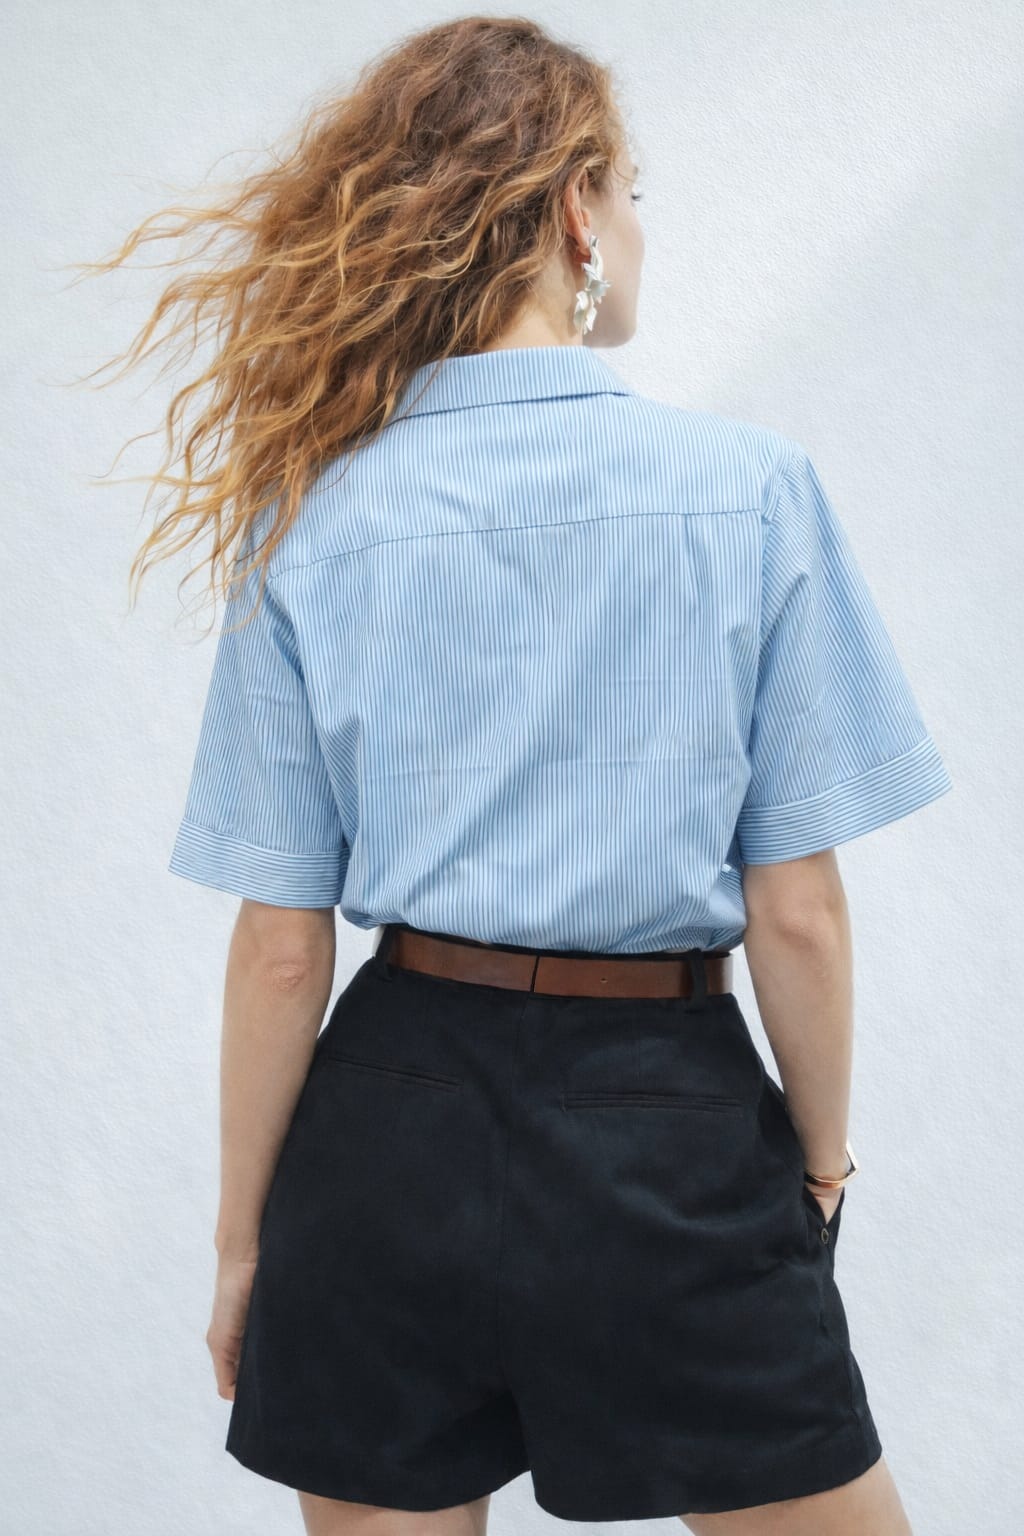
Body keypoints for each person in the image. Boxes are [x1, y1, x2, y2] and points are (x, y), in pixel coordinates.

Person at [97, 15, 951, 1535]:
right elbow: (799, 913)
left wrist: (242, 1243)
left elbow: (281, 944)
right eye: (631, 191)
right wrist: (820, 1168)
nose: (638, 225)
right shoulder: (749, 493)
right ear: (574, 213)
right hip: (666, 1126)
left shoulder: (310, 515)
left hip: (385, 1133)